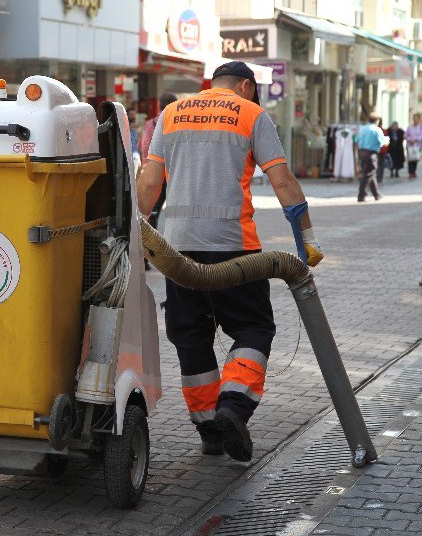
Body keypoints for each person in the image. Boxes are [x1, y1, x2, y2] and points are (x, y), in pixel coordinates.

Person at [136, 61, 323, 462]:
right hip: (235, 249)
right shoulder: (252, 113)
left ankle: (209, 432)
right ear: (245, 86)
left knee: (191, 335)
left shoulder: (171, 114)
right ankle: (233, 407)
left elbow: (150, 185)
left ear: (211, 85)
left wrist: (132, 236)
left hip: (179, 251)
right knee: (254, 328)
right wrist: (305, 240)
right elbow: (283, 181)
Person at [140, 92, 178, 266]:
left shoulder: (152, 124)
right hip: (175, 176)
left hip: (156, 176)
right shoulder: (178, 124)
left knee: (150, 215)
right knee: (177, 215)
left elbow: (145, 148)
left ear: (160, 105)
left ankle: (148, 255)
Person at [356, 113, 386, 202]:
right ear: (377, 121)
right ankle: (361, 194)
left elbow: (357, 140)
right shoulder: (376, 130)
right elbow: (382, 142)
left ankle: (376, 194)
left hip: (361, 152)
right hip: (370, 153)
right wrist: (386, 142)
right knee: (368, 174)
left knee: (371, 173)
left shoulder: (362, 129)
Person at [405, 113, 422, 179]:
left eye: (416, 119)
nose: (415, 120)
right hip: (410, 145)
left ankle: (414, 171)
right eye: (414, 118)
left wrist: (416, 140)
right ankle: (410, 172)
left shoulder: (420, 127)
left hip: (417, 145)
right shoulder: (410, 127)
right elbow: (406, 135)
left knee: (415, 159)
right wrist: (410, 140)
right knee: (410, 159)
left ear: (419, 119)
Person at [128, 109, 141, 175]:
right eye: (131, 115)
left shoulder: (135, 128)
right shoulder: (125, 126)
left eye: (134, 114)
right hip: (129, 155)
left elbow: (137, 142)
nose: (133, 116)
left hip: (135, 154)